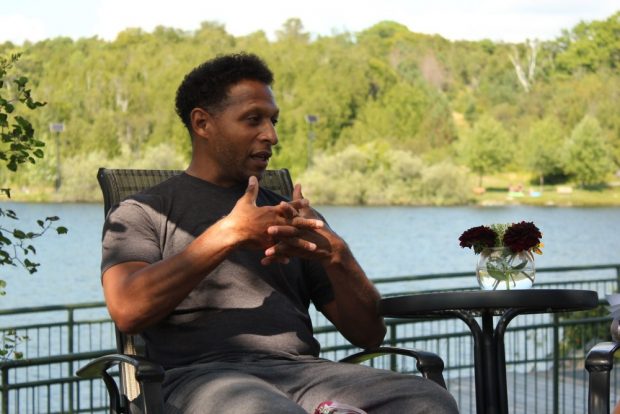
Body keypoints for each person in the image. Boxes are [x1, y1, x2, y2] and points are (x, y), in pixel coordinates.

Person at [101, 53, 458, 414]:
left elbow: (369, 335)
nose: (271, 135)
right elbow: (128, 309)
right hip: (199, 380)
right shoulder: (142, 212)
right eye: (253, 119)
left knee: (427, 400)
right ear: (202, 123)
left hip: (303, 374)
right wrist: (229, 233)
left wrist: (337, 255)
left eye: (273, 121)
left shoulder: (291, 215)